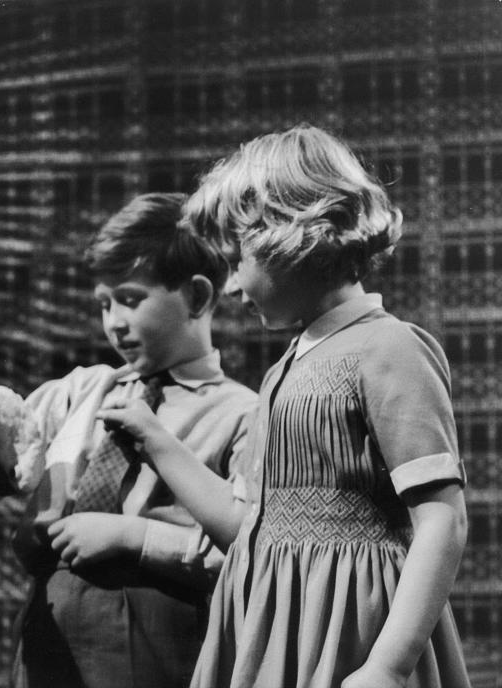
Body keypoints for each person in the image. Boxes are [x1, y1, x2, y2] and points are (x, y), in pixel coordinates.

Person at [99, 125, 471, 688]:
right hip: (272, 629)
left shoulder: (389, 346)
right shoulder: (283, 370)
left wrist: (389, 666)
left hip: (352, 631)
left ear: (291, 234)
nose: (229, 288)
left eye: (236, 258)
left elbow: (443, 517)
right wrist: (156, 441)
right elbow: (246, 526)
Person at [0, 193, 258, 688]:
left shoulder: (241, 413)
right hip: (52, 609)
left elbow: (254, 545)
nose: (114, 322)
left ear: (197, 296)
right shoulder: (83, 389)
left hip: (160, 621)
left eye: (130, 299)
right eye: (104, 304)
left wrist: (136, 537)